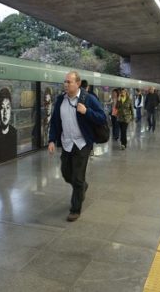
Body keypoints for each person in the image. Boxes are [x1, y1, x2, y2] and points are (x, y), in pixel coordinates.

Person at [48, 71, 107, 222]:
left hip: (82, 144)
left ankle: (75, 209)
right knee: (66, 173)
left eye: (69, 82)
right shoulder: (61, 99)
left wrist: (86, 111)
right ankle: (82, 186)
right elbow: (55, 122)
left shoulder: (88, 99)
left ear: (78, 83)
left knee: (78, 177)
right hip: (67, 143)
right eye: (65, 82)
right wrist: (52, 140)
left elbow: (102, 117)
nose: (66, 84)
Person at [0, 86, 17, 163]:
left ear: (11, 110)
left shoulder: (14, 132)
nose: (5, 112)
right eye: (2, 108)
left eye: (7, 108)